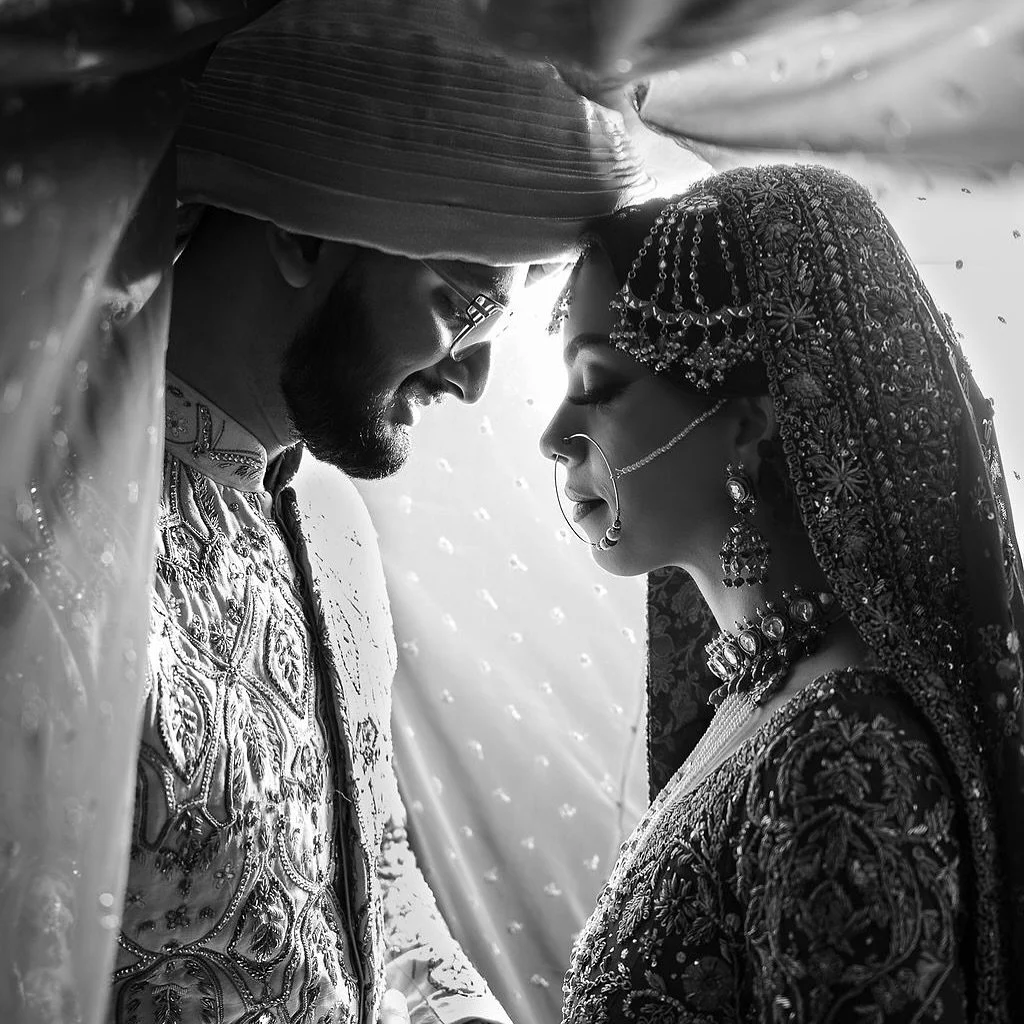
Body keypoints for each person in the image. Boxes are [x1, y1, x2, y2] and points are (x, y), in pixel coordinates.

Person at [0, 0, 646, 1020]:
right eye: (460, 303)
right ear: (301, 235)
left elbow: (378, 905)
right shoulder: (43, 526)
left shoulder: (333, 525)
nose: (475, 380)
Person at [540, 163, 1023, 1022]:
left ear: (748, 423)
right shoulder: (759, 702)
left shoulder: (845, 753)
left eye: (598, 386)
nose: (553, 435)